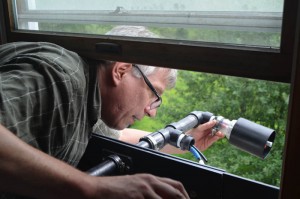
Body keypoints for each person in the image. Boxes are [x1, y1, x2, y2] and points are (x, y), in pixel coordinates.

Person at [0, 28, 223, 199]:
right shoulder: (58, 79)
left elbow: (121, 137)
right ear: (121, 70)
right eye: (154, 95)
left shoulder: (92, 101)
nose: (151, 112)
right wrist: (93, 187)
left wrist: (183, 142)